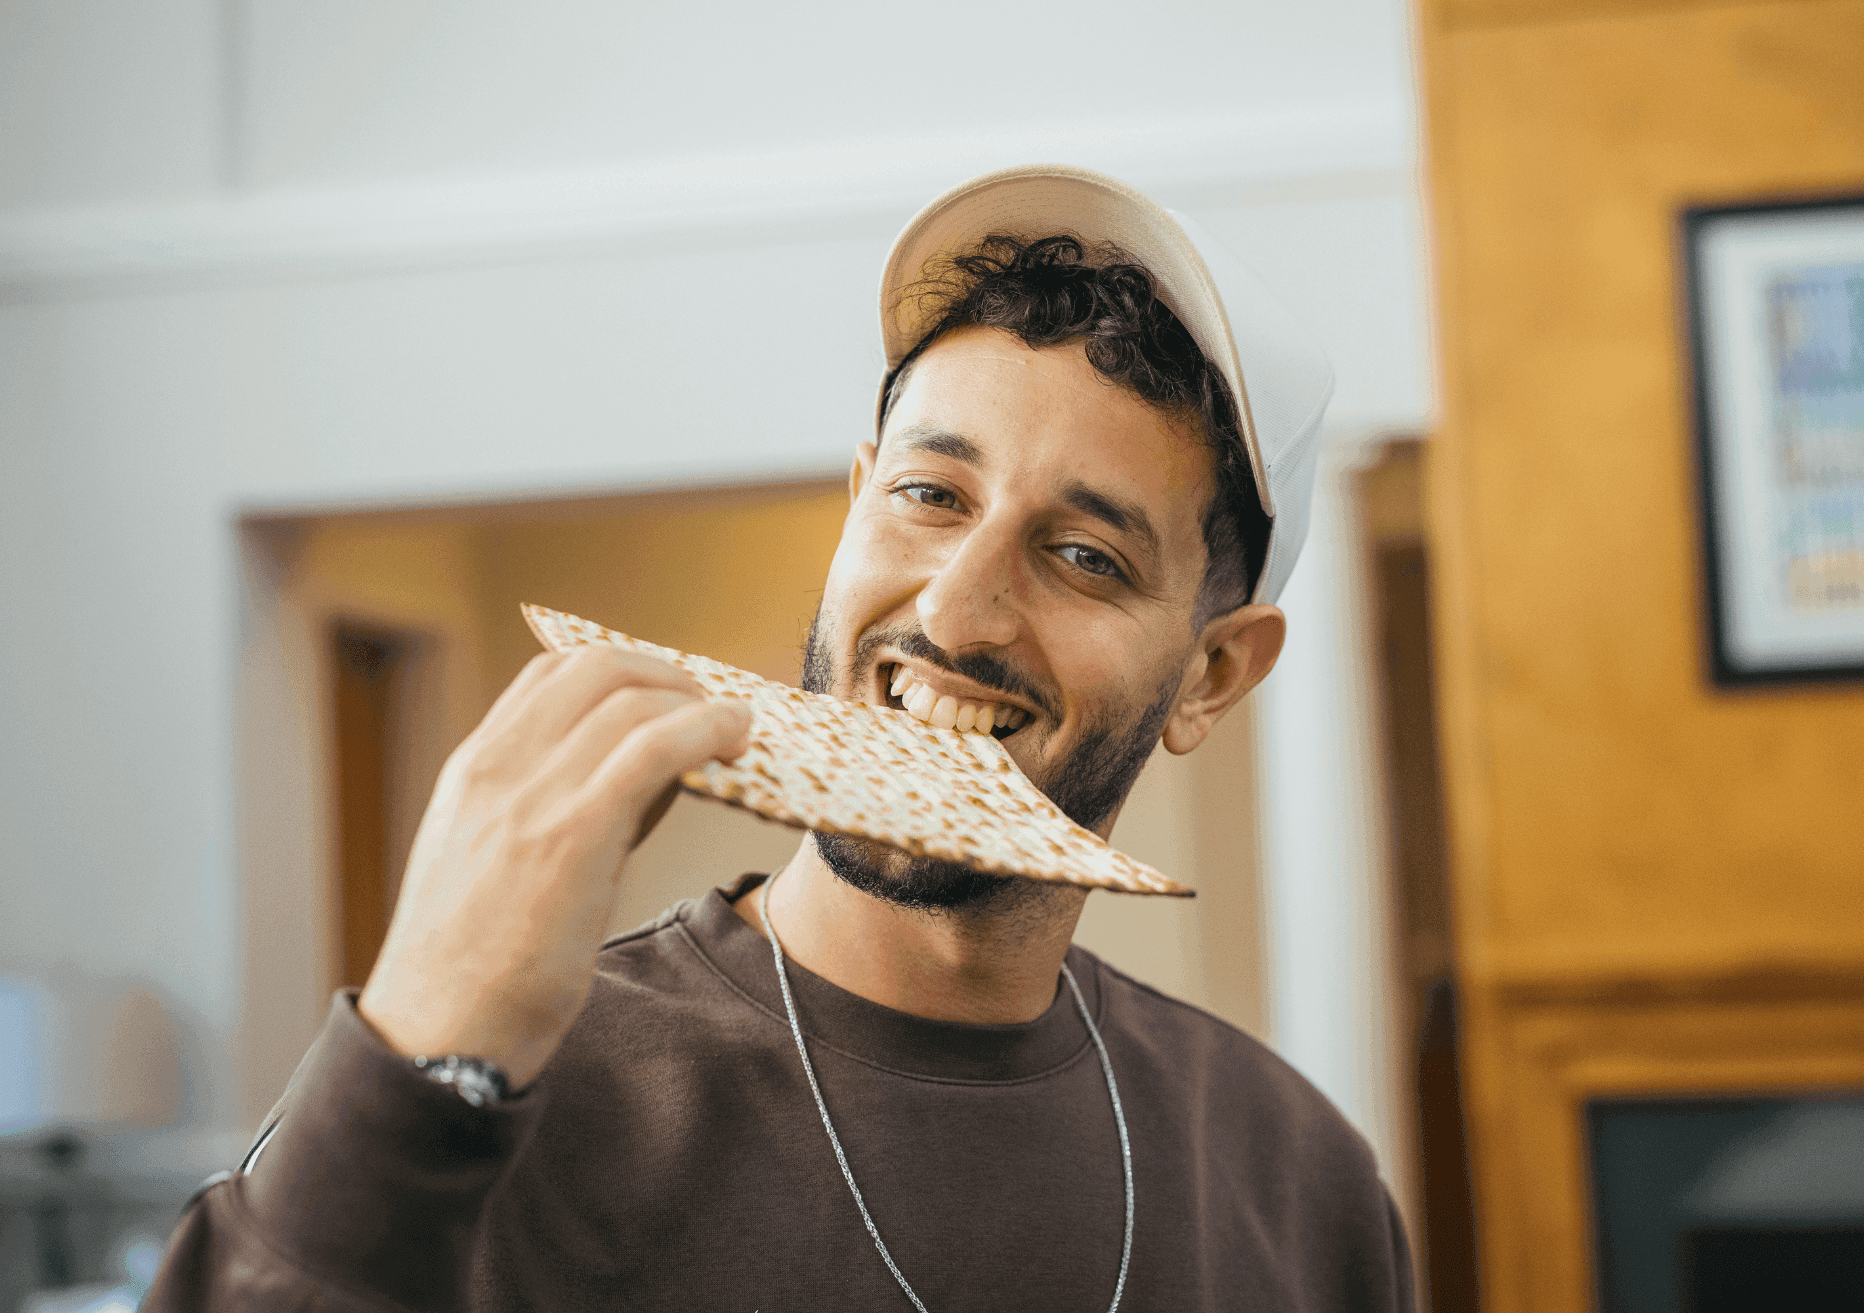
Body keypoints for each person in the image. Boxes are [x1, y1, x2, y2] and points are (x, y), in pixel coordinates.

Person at [145, 165, 1417, 1312]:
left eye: (1084, 555)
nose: (955, 611)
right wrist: (422, 1045)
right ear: (856, 503)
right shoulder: (489, 1107)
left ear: (1210, 674)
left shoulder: (1292, 1176)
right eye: (929, 496)